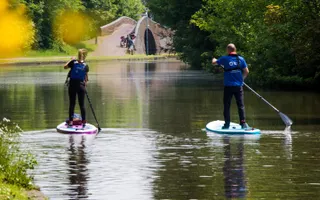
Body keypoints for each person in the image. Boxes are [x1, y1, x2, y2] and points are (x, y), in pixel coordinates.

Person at [212, 44, 249, 129]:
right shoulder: (241, 59)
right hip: (238, 86)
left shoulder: (225, 59)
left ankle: (227, 124)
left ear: (228, 50)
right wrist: (242, 80)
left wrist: (214, 59)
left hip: (228, 87)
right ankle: (243, 123)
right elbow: (246, 71)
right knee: (241, 105)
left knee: (227, 105)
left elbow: (214, 63)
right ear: (235, 49)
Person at [64, 49, 89, 127]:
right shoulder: (85, 65)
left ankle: (71, 121)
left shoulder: (73, 62)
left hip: (72, 85)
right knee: (82, 104)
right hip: (81, 86)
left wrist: (70, 60)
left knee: (72, 103)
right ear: (84, 56)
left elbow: (65, 67)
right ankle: (84, 121)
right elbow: (86, 78)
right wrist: (85, 85)